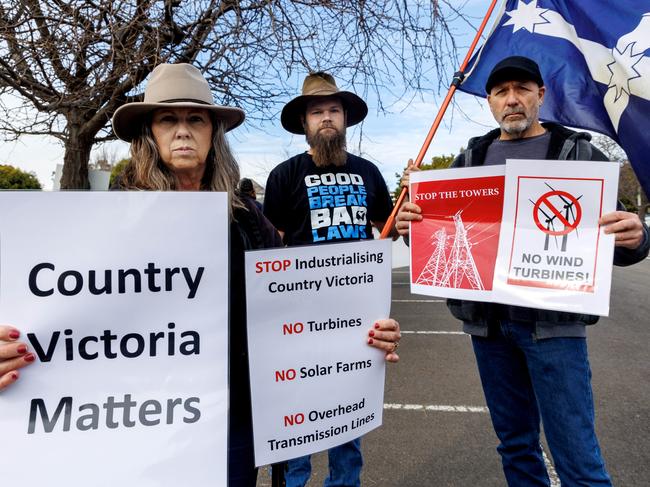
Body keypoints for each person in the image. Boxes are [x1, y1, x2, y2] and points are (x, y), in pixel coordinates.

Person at [0, 63, 401, 486]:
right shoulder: (106, 220)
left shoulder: (246, 218)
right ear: (149, 134)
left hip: (234, 415)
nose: (183, 131)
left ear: (214, 133)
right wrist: (15, 344)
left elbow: (291, 300)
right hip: (137, 418)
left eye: (196, 119)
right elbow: (56, 303)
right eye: (168, 119)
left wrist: (361, 330)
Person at [396, 55, 650, 487]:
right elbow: (433, 234)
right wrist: (409, 227)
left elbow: (618, 238)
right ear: (490, 102)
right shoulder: (469, 159)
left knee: (577, 456)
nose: (511, 99)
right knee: (515, 446)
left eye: (522, 89)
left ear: (540, 96)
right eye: (500, 92)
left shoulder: (578, 153)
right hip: (490, 330)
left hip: (555, 329)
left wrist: (637, 237)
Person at [263, 71, 399, 487]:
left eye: (334, 110)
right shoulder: (284, 175)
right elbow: (271, 248)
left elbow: (386, 230)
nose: (326, 118)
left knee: (347, 420)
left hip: (357, 316)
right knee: (297, 416)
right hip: (299, 316)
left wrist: (409, 203)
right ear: (304, 123)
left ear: (345, 119)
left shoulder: (368, 171)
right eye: (317, 111)